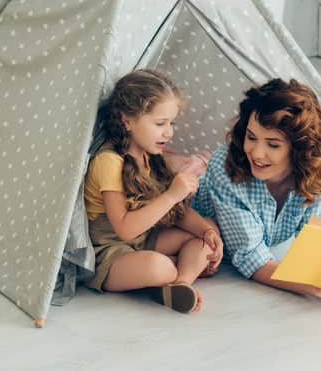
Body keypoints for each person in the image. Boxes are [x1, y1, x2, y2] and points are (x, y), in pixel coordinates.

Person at [193, 78, 321, 301]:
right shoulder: (225, 167)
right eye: (251, 137)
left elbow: (316, 244)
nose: (256, 153)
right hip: (197, 229)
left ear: (300, 148)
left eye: (273, 144)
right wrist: (308, 286)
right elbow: (252, 259)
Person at [84, 69, 224, 313]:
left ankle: (180, 285)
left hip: (145, 239)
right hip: (109, 253)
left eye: (171, 123)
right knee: (160, 267)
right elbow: (125, 229)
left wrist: (207, 231)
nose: (168, 132)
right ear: (127, 121)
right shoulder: (109, 161)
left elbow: (179, 213)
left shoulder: (152, 156)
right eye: (160, 124)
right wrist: (171, 195)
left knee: (206, 232)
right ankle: (173, 274)